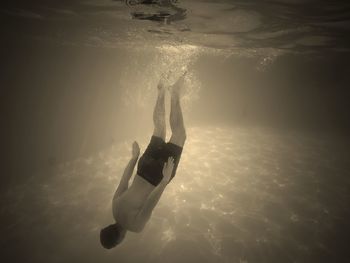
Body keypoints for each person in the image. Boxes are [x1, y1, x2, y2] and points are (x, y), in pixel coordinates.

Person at [100, 71, 187, 249]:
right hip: (142, 166)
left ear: (119, 240)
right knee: (159, 128)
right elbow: (124, 180)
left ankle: (176, 94)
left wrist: (164, 180)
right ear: (108, 227)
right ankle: (162, 90)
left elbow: (150, 203)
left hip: (157, 176)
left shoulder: (135, 226)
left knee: (179, 135)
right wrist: (133, 158)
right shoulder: (114, 207)